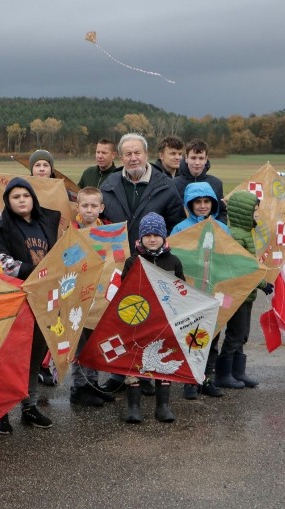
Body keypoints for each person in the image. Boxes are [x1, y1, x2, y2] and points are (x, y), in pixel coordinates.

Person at [99, 133, 185, 394]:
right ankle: (121, 373)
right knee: (122, 320)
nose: (133, 158)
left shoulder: (164, 186)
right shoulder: (109, 184)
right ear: (121, 157)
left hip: (154, 267)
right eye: (128, 154)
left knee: (150, 321)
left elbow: (176, 227)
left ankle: (148, 372)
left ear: (146, 155)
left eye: (137, 153)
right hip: (119, 266)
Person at [0, 177, 61, 429]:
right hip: (15, 299)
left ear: (33, 198)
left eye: (25, 195)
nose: (21, 200)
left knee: (35, 353)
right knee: (11, 355)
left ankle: (29, 406)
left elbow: (58, 253)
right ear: (8, 201)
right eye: (15, 197)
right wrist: (33, 270)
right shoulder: (1, 227)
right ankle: (2, 412)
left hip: (42, 297)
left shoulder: (45, 223)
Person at [120, 212, 185, 424]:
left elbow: (181, 290)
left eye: (157, 234)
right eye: (147, 234)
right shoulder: (132, 261)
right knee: (134, 361)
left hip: (164, 321)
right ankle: (134, 406)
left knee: (163, 361)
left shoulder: (174, 261)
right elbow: (124, 292)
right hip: (137, 322)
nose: (152, 238)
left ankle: (162, 406)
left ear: (164, 237)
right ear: (141, 237)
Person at [170, 182, 228, 399]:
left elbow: (228, 258)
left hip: (213, 290)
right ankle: (189, 380)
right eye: (198, 202)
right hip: (190, 292)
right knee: (191, 335)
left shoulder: (222, 229)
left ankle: (207, 378)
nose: (203, 206)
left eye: (206, 202)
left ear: (212, 204)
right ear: (190, 204)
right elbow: (175, 259)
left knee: (212, 336)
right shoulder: (180, 229)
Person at [217, 191, 273, 390]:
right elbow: (242, 268)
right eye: (254, 211)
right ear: (244, 213)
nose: (257, 215)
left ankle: (238, 371)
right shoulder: (237, 237)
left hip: (246, 295)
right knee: (236, 333)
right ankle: (223, 373)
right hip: (238, 294)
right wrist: (263, 284)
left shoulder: (244, 234)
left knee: (243, 334)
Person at [68, 187, 116, 407]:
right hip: (79, 298)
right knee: (80, 345)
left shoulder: (108, 231)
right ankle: (79, 387)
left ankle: (94, 383)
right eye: (85, 206)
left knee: (96, 342)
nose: (89, 210)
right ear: (77, 207)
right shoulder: (71, 231)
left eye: (94, 206)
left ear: (101, 208)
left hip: (101, 298)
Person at [173, 139, 228, 223]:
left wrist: (216, 229)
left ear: (206, 159)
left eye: (201, 158)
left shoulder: (216, 184)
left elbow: (221, 213)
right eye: (193, 158)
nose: (197, 162)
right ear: (186, 158)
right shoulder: (174, 184)